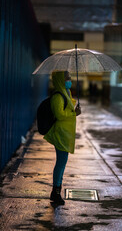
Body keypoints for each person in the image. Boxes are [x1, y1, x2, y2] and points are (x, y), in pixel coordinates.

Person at [44, 71, 81, 205]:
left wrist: (74, 111)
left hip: (66, 134)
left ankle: (57, 190)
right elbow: (60, 115)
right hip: (60, 134)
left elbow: (68, 110)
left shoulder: (66, 93)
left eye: (70, 78)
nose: (69, 80)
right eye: (67, 78)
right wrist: (73, 113)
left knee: (62, 162)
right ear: (60, 80)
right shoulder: (57, 97)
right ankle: (55, 192)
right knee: (60, 162)